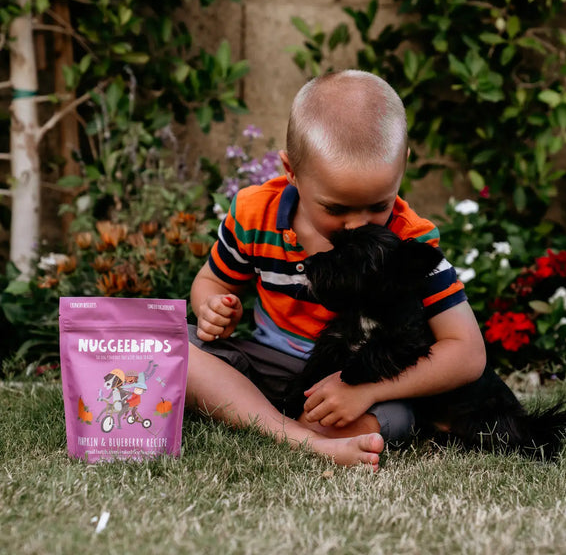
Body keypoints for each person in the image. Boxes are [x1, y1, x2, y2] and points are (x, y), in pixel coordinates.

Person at [185, 70, 486, 470]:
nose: (359, 225)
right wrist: (211, 308)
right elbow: (210, 281)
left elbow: (466, 352)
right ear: (291, 171)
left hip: (356, 379)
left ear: (403, 166)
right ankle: (300, 436)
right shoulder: (255, 214)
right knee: (171, 349)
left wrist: (363, 390)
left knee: (387, 416)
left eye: (379, 205)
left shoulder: (409, 243)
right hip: (266, 363)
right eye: (336, 208)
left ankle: (271, 422)